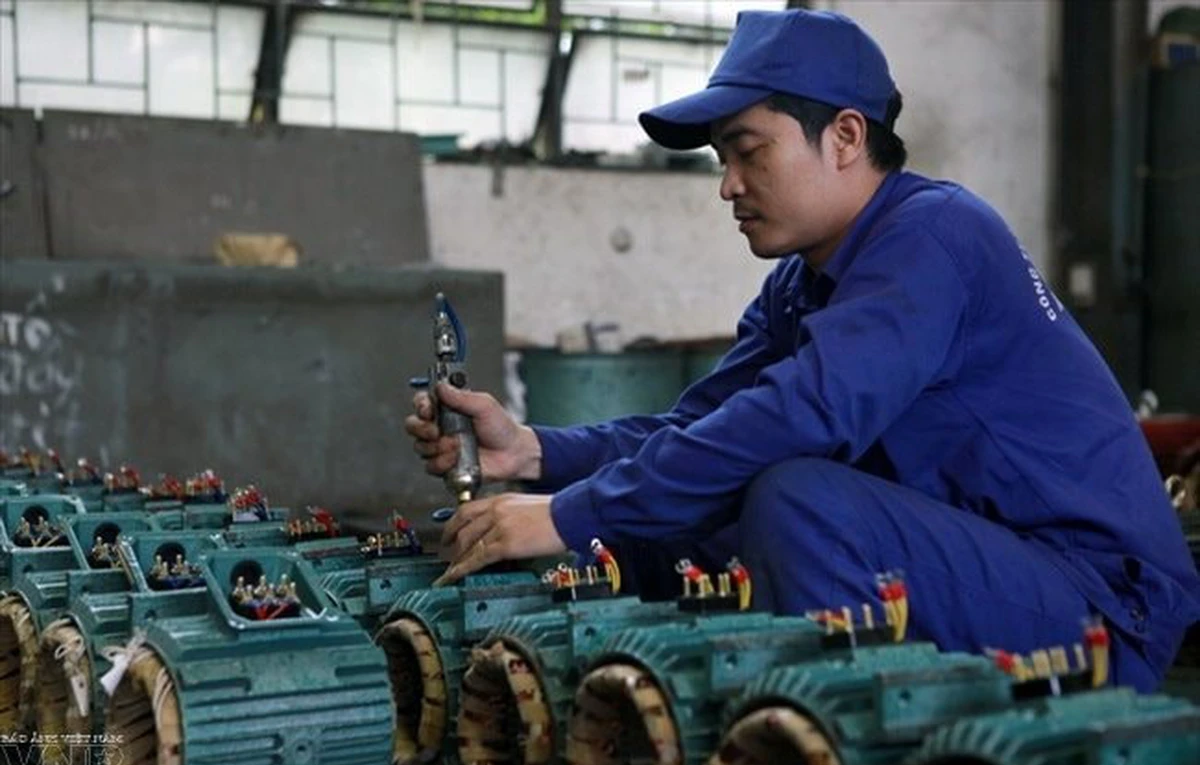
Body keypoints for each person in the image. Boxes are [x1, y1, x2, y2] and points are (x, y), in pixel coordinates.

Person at [406, 9, 1200, 691]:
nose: (728, 185)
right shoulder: (803, 282)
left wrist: (568, 516)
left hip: (1101, 603)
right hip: (989, 566)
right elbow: (699, 432)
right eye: (722, 159)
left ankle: (831, 745)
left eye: (750, 151)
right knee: (699, 497)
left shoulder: (934, 236)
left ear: (846, 137)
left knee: (795, 499)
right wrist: (536, 455)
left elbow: (799, 417)